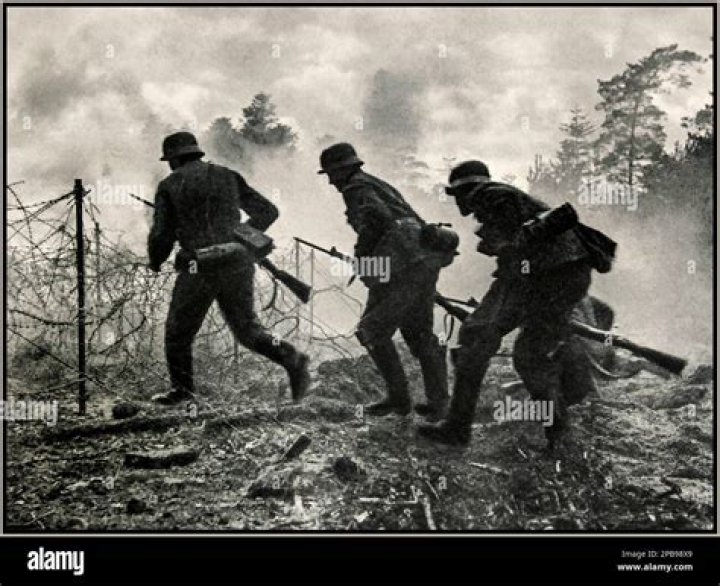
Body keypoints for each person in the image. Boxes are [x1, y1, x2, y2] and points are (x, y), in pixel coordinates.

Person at [418, 160, 615, 448]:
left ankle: (457, 428)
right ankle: (559, 437)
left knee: (475, 337)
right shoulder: (508, 197)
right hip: (566, 277)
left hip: (539, 277)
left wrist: (501, 251)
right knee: (530, 356)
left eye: (455, 194)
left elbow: (518, 245)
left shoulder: (489, 195)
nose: (457, 202)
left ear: (466, 190)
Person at [148, 131, 310, 406]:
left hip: (198, 267)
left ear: (173, 159)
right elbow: (268, 211)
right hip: (237, 261)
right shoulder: (228, 176)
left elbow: (162, 234)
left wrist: (156, 260)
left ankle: (183, 392)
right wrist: (240, 235)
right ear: (196, 153)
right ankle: (292, 358)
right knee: (248, 330)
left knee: (178, 332)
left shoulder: (169, 185)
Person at [319, 142, 453, 422]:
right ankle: (439, 404)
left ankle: (399, 400)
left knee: (371, 330)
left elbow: (375, 219)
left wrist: (363, 257)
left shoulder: (355, 187)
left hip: (399, 264)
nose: (331, 182)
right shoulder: (376, 183)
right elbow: (412, 220)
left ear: (341, 170)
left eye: (331, 174)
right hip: (421, 260)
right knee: (419, 334)